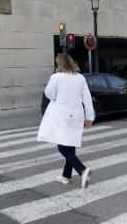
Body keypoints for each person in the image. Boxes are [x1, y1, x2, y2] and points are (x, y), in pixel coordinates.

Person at [37, 53, 95, 188]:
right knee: (70, 144)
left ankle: (82, 170)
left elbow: (49, 93)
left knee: (62, 147)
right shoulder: (80, 78)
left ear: (60, 64)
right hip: (77, 115)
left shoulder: (56, 77)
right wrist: (89, 117)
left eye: (57, 63)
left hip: (61, 114)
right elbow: (87, 97)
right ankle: (66, 175)